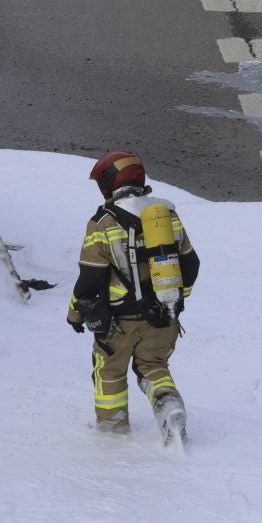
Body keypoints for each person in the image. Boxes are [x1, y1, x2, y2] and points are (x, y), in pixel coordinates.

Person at [66, 150, 199, 443]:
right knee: (153, 366)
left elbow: (90, 277)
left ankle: (111, 436)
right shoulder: (166, 216)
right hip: (164, 316)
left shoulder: (102, 223)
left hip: (119, 323)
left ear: (109, 184)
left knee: (109, 371)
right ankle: (169, 406)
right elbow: (190, 265)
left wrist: (75, 313)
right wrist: (174, 302)